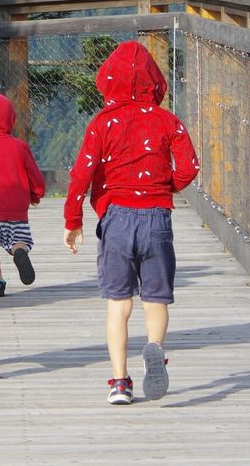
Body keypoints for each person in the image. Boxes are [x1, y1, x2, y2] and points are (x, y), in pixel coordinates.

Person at [63, 40, 199, 405]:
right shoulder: (168, 122)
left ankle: (120, 382)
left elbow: (81, 174)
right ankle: (154, 348)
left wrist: (72, 220)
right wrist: (163, 187)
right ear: (154, 83)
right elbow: (189, 167)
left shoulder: (102, 124)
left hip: (117, 219)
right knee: (155, 298)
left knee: (118, 305)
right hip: (156, 219)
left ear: (108, 81)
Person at [0, 92, 45, 297]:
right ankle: (19, 251)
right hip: (16, 205)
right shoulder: (19, 147)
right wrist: (36, 193)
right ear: (10, 119)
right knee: (18, 239)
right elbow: (34, 173)